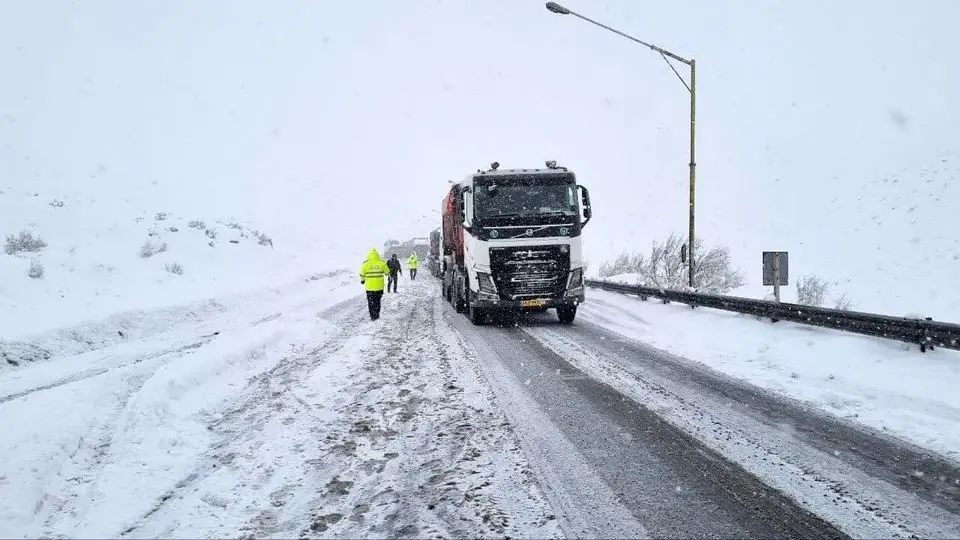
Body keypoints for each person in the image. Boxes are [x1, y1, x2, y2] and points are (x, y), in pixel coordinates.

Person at [359, 248, 390, 320]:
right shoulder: (382, 263)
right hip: (379, 287)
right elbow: (387, 273)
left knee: (370, 302)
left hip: (369, 288)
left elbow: (362, 274)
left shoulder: (365, 264)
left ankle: (372, 316)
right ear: (377, 255)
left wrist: (362, 281)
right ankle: (377, 314)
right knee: (377, 301)